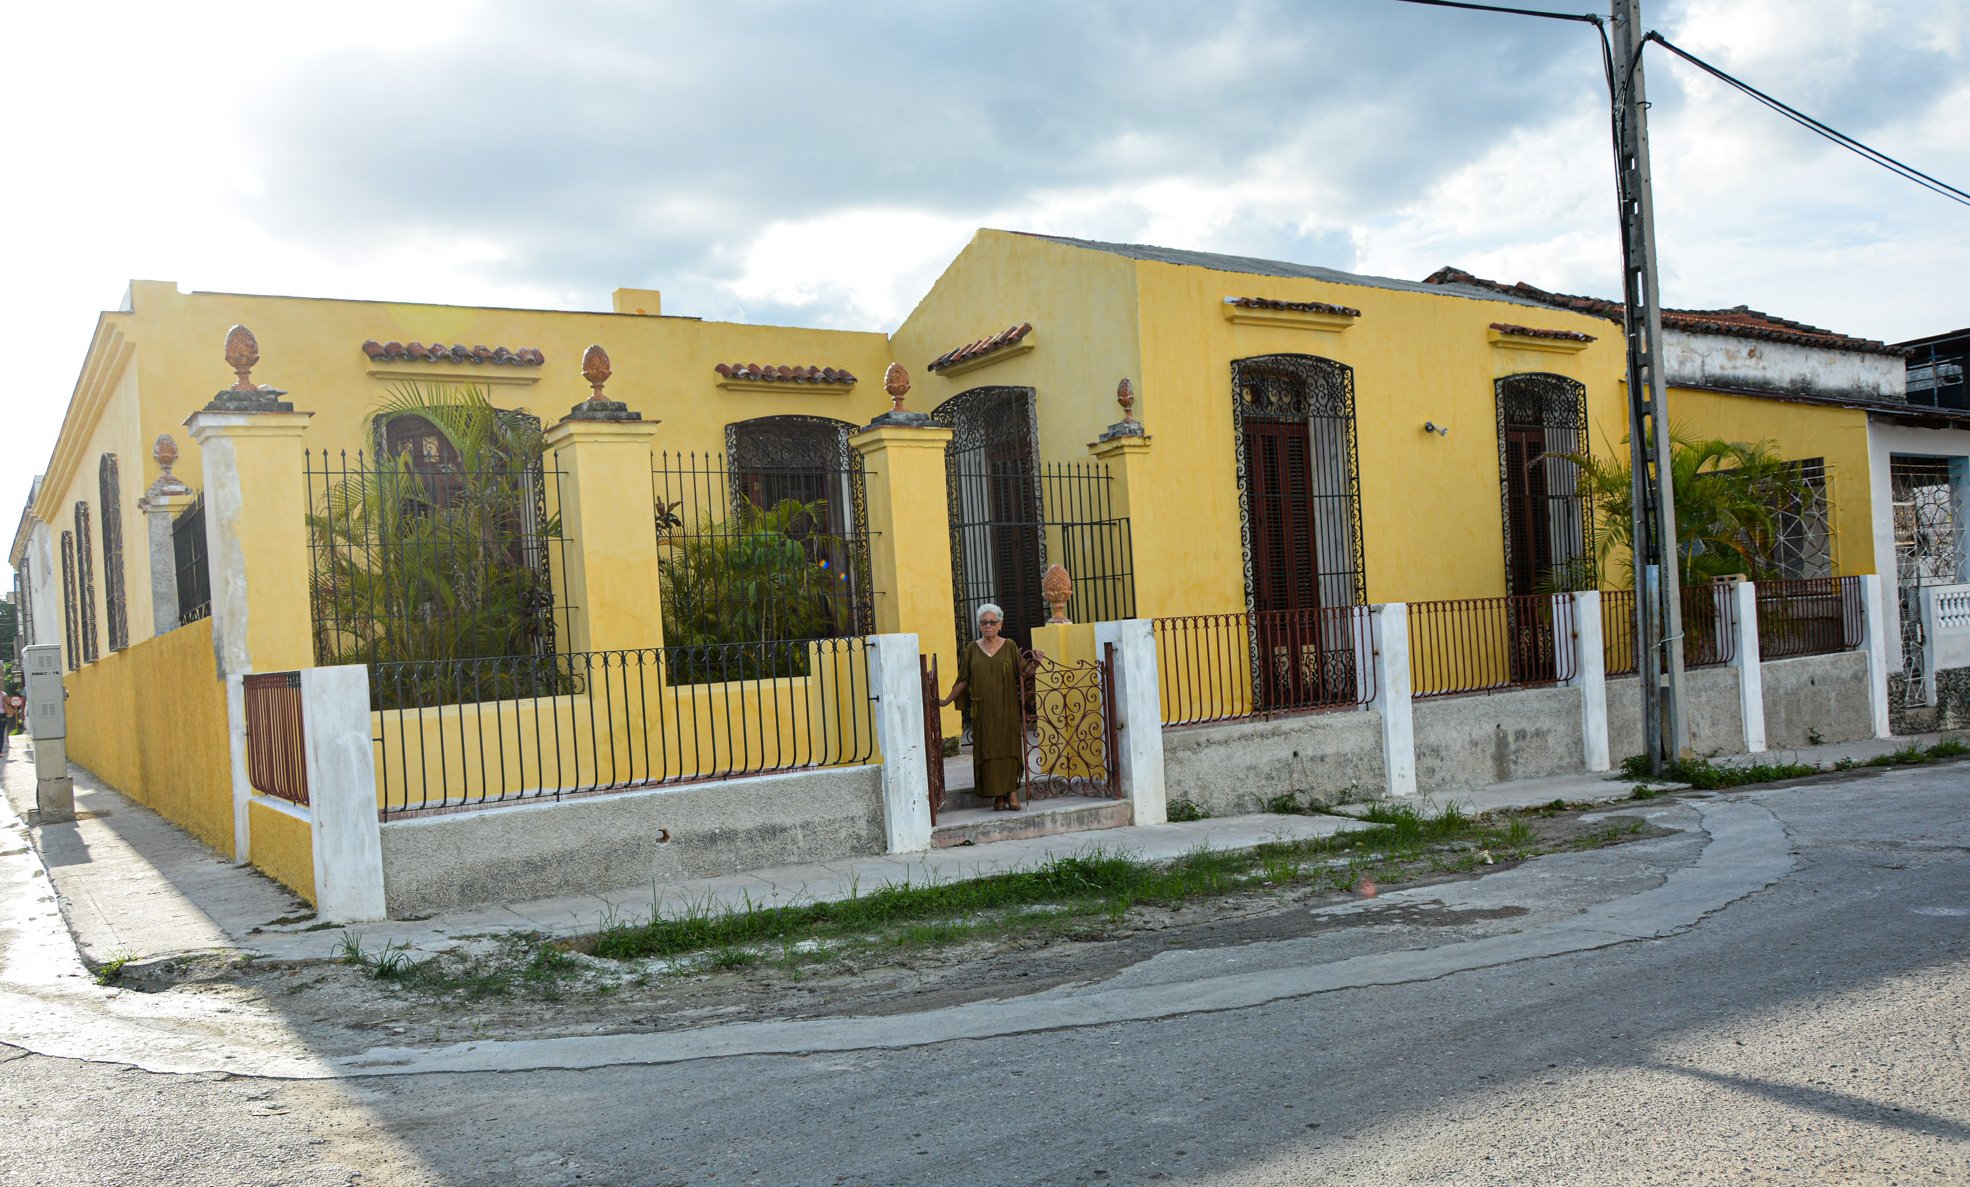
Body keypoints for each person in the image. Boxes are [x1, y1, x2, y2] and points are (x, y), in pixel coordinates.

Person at [940, 603, 1041, 811]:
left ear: (1000, 624)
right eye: (984, 622)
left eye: (992, 622)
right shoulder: (972, 649)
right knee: (988, 752)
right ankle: (998, 796)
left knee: (1008, 749)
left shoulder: (1010, 646)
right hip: (983, 711)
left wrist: (1035, 664)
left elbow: (1024, 674)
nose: (988, 626)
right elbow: (963, 680)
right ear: (979, 625)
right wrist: (947, 700)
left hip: (1007, 709)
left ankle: (1012, 792)